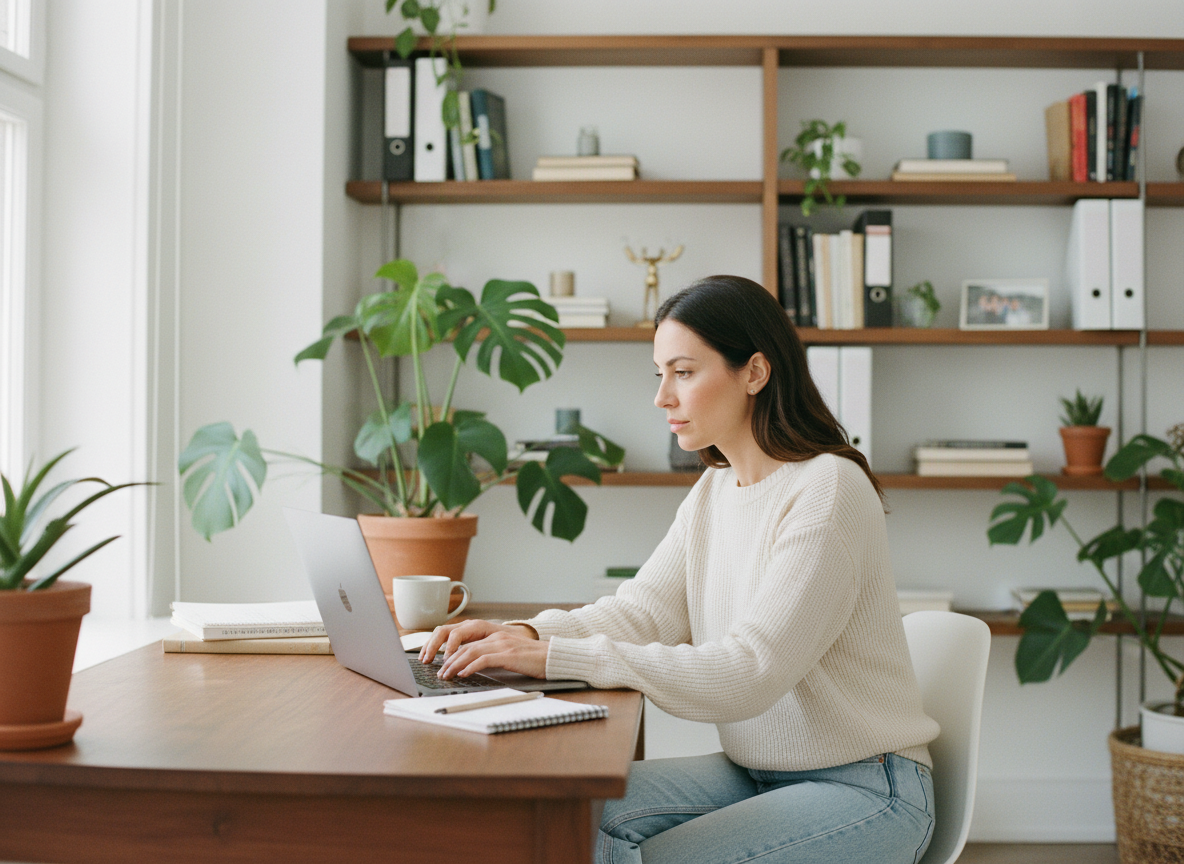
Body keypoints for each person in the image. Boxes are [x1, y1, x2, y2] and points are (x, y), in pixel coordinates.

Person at [418, 275, 940, 864]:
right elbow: (644, 612)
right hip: (756, 773)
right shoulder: (714, 490)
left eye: (684, 372)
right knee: (563, 815)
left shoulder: (828, 488)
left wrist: (560, 658)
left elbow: (752, 670)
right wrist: (532, 635)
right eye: (660, 374)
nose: (663, 396)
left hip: (867, 788)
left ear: (755, 373)